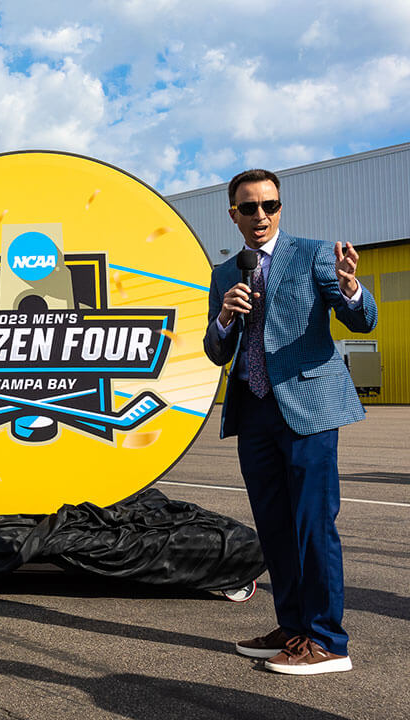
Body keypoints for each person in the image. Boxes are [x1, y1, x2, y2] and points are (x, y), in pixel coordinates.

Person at [204, 168, 377, 675]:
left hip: (310, 408)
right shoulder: (224, 273)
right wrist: (224, 320)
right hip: (253, 409)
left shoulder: (315, 254)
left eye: (270, 206)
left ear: (281, 207)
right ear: (233, 212)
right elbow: (217, 353)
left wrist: (350, 290)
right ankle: (293, 627)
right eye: (249, 207)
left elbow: (360, 319)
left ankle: (328, 641)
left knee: (312, 525)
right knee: (275, 527)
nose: (261, 215)